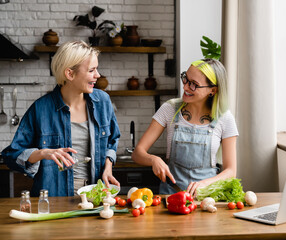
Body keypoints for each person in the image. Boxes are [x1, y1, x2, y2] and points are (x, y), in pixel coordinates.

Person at [2, 41, 121, 197]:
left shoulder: (103, 102)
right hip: (55, 197)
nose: (97, 75)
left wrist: (108, 168)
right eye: (92, 70)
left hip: (96, 194)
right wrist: (42, 153)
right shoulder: (41, 109)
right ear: (70, 74)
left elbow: (112, 141)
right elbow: (11, 156)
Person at [132, 59, 238, 196]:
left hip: (207, 200)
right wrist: (154, 159)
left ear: (212, 90)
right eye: (185, 79)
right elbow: (137, 153)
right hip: (171, 197)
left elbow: (231, 171)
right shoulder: (169, 109)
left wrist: (205, 183)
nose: (186, 87)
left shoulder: (224, 118)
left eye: (194, 84)